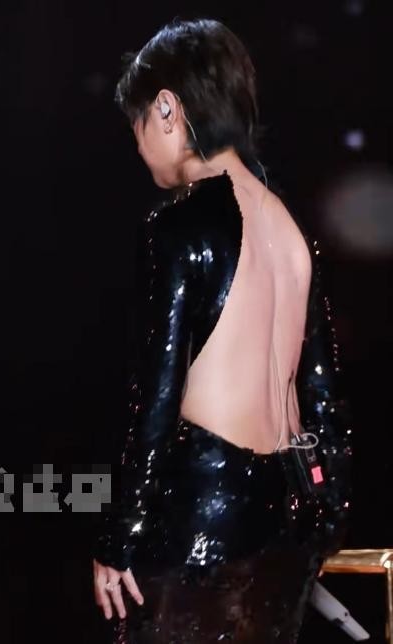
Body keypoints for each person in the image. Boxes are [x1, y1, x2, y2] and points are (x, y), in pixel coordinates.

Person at [92, 18, 352, 643]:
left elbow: (155, 399)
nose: (136, 144)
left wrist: (120, 534)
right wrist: (327, 516)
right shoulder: (291, 230)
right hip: (285, 523)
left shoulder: (179, 226)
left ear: (166, 109)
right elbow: (323, 395)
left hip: (200, 522)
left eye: (137, 123)